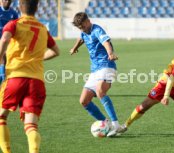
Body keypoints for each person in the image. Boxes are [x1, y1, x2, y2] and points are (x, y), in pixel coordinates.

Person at [0, 0, 60, 152]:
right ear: (37, 7)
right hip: (37, 82)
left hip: (16, 77)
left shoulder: (13, 24)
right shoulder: (43, 29)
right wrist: (37, 58)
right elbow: (56, 51)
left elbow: (5, 39)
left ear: (20, 7)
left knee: (1, 118)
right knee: (31, 126)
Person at [70, 12, 121, 137]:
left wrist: (110, 53)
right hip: (95, 70)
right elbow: (81, 37)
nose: (82, 29)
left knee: (100, 91)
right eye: (80, 28)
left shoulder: (97, 29)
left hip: (107, 65)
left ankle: (116, 125)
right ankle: (106, 123)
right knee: (84, 101)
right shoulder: (84, 31)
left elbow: (106, 42)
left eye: (83, 26)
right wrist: (75, 47)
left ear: (88, 21)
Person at [0, 0, 19, 84]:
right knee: (3, 56)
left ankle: (3, 77)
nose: (6, 1)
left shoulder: (13, 13)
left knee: (5, 58)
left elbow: (17, 28)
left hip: (7, 40)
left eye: (8, 0)